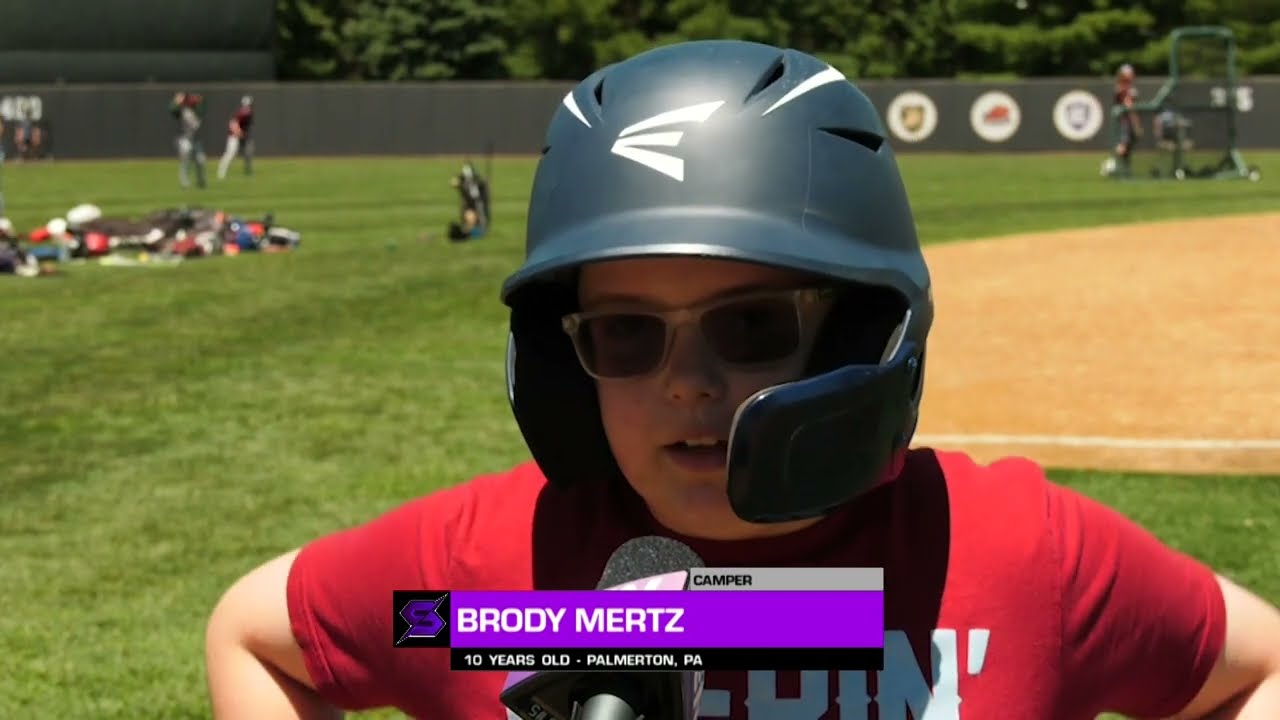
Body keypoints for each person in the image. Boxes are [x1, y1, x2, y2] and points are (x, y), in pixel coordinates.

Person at [204, 40, 1280, 719]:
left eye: (751, 323)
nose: (687, 383)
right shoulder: (486, 588)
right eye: (626, 333)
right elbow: (258, 636)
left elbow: (1257, 670)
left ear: (860, 333)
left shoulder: (1014, 557)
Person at [1108, 64, 1143, 177]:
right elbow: (1129, 106)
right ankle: (1112, 165)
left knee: (1127, 148)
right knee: (1123, 145)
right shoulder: (1123, 89)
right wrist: (1136, 124)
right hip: (1125, 122)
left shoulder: (1126, 88)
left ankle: (1124, 170)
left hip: (1126, 122)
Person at [170, 92, 208, 189]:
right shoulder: (181, 110)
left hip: (196, 138)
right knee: (186, 159)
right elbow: (172, 110)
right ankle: (184, 182)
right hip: (184, 138)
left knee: (201, 160)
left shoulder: (197, 110)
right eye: (187, 99)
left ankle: (200, 180)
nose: (189, 101)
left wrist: (200, 100)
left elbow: (202, 107)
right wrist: (176, 101)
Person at [446, 161, 490, 242]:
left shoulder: (474, 183)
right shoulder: (469, 181)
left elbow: (476, 196)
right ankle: (467, 229)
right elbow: (454, 183)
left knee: (473, 220)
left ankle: (468, 230)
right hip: (471, 205)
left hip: (475, 206)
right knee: (468, 218)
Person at [217, 95, 255, 180]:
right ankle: (221, 172)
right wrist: (238, 132)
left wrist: (243, 134)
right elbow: (232, 123)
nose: (249, 106)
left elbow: (246, 126)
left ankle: (248, 171)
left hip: (242, 136)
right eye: (247, 105)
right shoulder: (241, 113)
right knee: (230, 154)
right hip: (234, 136)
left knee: (249, 152)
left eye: (249, 104)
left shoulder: (249, 113)